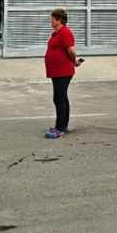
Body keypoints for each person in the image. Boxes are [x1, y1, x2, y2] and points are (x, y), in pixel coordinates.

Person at [44, 8, 82, 139]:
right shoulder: (57, 33)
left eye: (52, 18)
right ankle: (62, 125)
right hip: (57, 71)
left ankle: (60, 128)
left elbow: (71, 51)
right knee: (61, 98)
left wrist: (74, 61)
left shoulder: (65, 33)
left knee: (59, 99)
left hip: (63, 71)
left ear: (58, 20)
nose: (51, 21)